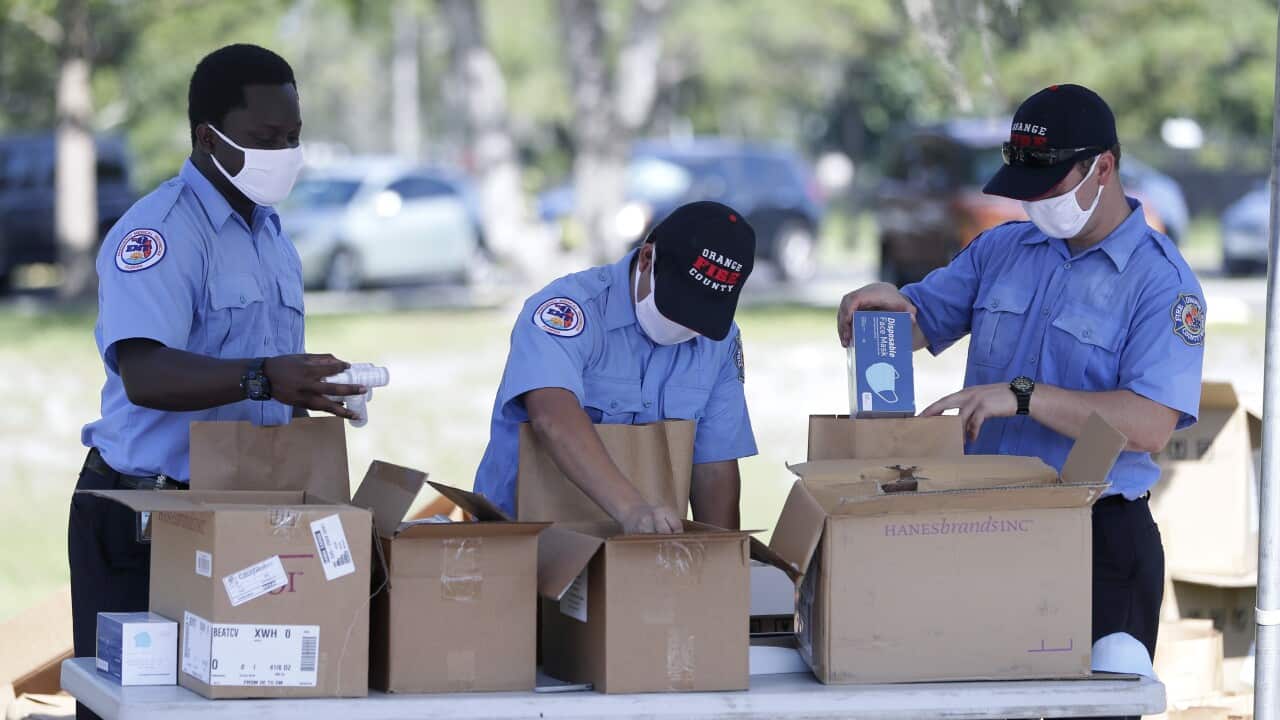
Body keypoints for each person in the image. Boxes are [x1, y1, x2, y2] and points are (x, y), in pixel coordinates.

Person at [837, 84, 1204, 697]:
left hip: (1097, 540)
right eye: (1024, 187)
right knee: (973, 704)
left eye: (1050, 186)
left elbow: (1151, 424)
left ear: (1103, 168)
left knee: (1093, 711)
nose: (1034, 202)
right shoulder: (1003, 247)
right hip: (980, 524)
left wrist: (1025, 394)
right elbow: (923, 318)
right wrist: (884, 309)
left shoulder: (1162, 284)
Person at [70, 44, 364, 720]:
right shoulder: (161, 233)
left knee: (234, 704)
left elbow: (259, 377)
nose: (285, 153)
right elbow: (145, 373)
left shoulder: (271, 236)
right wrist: (264, 379)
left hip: (239, 511)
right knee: (136, 707)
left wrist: (311, 391)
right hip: (145, 515)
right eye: (267, 138)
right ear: (209, 137)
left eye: (293, 137)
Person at [474, 201, 758, 533]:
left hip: (643, 551)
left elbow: (714, 463)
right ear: (648, 258)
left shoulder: (720, 340)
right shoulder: (569, 310)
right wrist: (632, 510)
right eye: (677, 305)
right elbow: (552, 417)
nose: (686, 323)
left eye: (701, 315)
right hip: (520, 540)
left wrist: (720, 559)